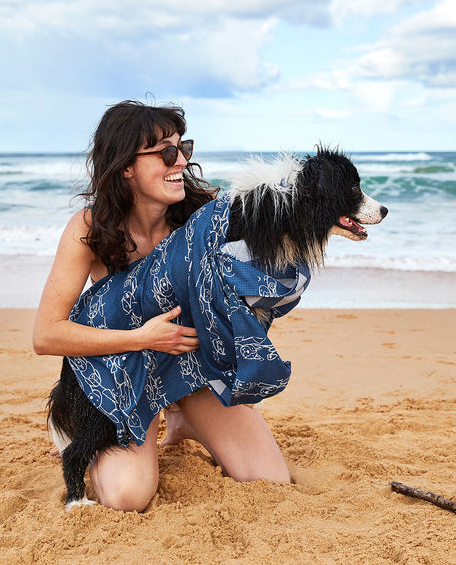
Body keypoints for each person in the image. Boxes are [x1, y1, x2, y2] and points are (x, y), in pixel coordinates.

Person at [33, 100, 290, 513]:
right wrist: (140, 337)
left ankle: (185, 418)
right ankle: (73, 431)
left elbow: (250, 287)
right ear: (125, 167)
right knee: (127, 495)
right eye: (165, 153)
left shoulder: (203, 216)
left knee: (269, 478)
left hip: (191, 366)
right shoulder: (90, 229)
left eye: (183, 148)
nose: (181, 162)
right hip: (125, 371)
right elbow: (46, 334)